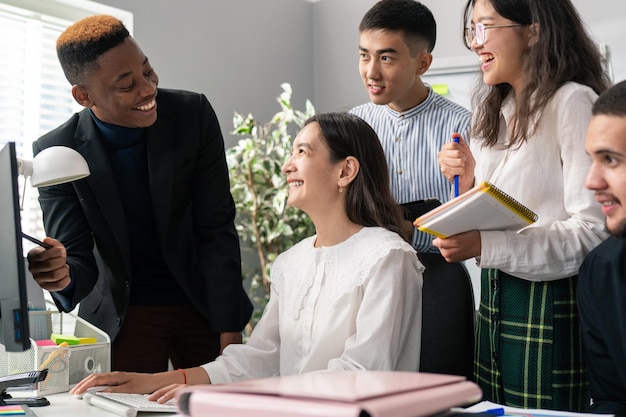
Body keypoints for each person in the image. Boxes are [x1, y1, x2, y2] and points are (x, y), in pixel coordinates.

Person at [70, 112, 425, 402]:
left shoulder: (388, 257)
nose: (287, 165)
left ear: (345, 171)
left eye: (303, 152)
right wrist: (154, 380)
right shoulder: (291, 262)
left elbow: (361, 374)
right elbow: (260, 358)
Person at [25, 15, 252, 373]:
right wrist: (60, 275)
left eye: (147, 71)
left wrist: (230, 329)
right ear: (83, 95)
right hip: (124, 312)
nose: (148, 89)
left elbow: (216, 226)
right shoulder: (56, 151)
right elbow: (77, 259)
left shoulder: (192, 115)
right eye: (127, 85)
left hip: (202, 301)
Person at [436, 0, 611, 411]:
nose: (476, 44)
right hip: (495, 300)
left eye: (485, 28)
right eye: (472, 31)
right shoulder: (494, 110)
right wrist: (470, 177)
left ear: (533, 31)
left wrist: (485, 245)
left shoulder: (572, 102)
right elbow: (503, 211)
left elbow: (592, 233)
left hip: (551, 306)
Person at [350, 0, 471, 254]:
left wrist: (411, 233)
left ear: (422, 64)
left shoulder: (462, 127)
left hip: (440, 281)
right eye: (364, 56)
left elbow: (470, 230)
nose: (371, 72)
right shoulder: (355, 125)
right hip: (369, 275)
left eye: (385, 58)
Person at [578, 80, 626, 415]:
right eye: (592, 160)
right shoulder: (601, 271)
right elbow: (613, 401)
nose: (592, 181)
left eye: (611, 159)